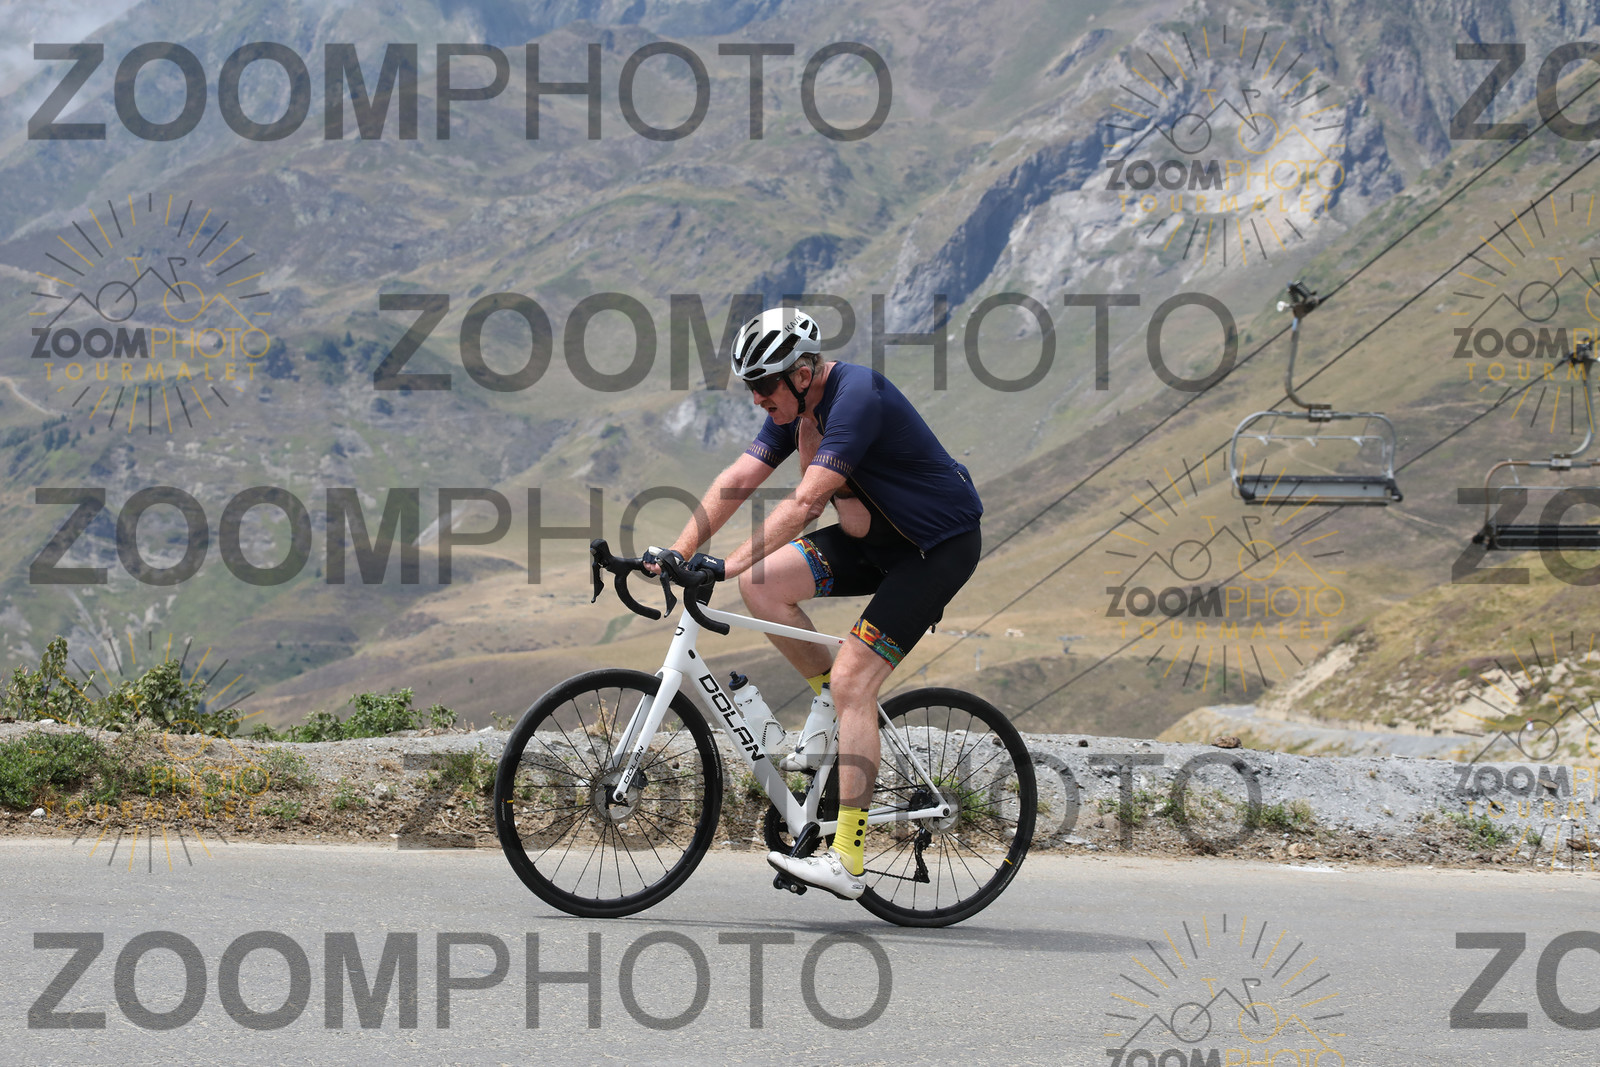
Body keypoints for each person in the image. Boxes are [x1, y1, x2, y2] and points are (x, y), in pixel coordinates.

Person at [653, 306, 983, 899]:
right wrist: (678, 551)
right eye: (750, 387)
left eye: (764, 386)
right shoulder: (796, 409)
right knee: (761, 585)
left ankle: (848, 858)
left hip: (934, 550)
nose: (757, 399)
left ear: (802, 374)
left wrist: (726, 563)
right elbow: (738, 480)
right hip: (876, 541)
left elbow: (806, 504)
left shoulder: (858, 397)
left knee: (855, 680)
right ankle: (831, 710)